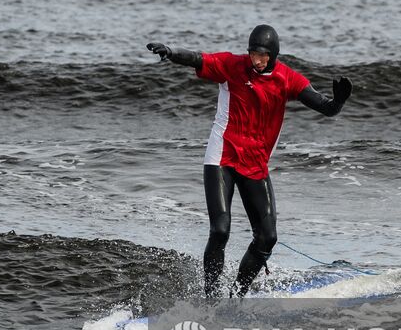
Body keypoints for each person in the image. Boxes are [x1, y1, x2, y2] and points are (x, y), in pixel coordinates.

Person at [147, 24, 352, 298]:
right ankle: (211, 298)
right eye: (253, 53)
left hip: (255, 165)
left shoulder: (287, 79)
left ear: (274, 55)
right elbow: (198, 58)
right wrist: (172, 53)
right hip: (222, 156)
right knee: (220, 231)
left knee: (267, 238)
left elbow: (325, 108)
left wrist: (338, 101)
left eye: (262, 55)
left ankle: (236, 296)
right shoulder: (233, 66)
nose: (256, 60)